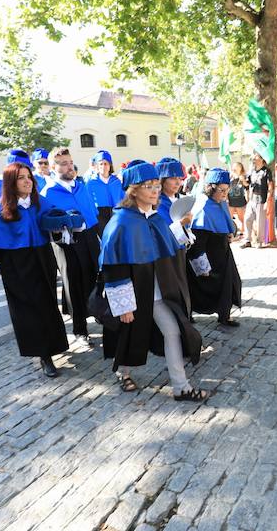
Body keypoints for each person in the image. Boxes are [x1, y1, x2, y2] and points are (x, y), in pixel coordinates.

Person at [99, 160, 206, 401]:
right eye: (149, 186)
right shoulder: (121, 222)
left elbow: (169, 243)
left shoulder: (157, 218)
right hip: (134, 293)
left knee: (172, 331)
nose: (156, 190)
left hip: (157, 293)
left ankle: (181, 386)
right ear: (133, 190)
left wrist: (182, 230)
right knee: (128, 333)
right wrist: (124, 304)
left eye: (157, 184)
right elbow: (113, 265)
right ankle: (123, 373)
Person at [0, 163, 75, 378]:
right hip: (16, 265)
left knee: (48, 304)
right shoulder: (1, 208)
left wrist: (67, 222)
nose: (27, 181)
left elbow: (57, 220)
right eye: (21, 178)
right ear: (11, 183)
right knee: (28, 311)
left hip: (42, 258)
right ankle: (43, 355)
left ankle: (55, 345)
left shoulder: (40, 203)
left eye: (28, 177)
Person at [40, 147, 101, 342]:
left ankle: (99, 312)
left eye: (70, 162)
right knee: (73, 283)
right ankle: (80, 330)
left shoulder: (81, 185)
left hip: (90, 237)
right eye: (63, 164)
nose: (69, 167)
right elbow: (45, 222)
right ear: (53, 167)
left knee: (96, 276)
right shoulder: (48, 193)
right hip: (67, 243)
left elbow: (92, 212)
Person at [187, 168, 242, 327]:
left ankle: (225, 315)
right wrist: (202, 265)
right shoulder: (203, 206)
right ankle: (188, 314)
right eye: (222, 190)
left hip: (223, 252)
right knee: (199, 286)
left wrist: (231, 232)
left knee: (231, 283)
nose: (225, 194)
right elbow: (198, 241)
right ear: (211, 188)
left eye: (227, 190)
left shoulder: (222, 203)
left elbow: (228, 223)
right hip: (209, 254)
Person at [156, 157, 194, 314]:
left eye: (180, 178)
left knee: (182, 283)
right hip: (165, 252)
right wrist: (182, 222)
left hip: (179, 249)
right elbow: (164, 231)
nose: (178, 182)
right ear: (163, 180)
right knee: (171, 286)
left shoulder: (179, 199)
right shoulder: (158, 202)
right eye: (173, 178)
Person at [86, 150, 125, 234]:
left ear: (110, 165)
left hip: (116, 212)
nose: (103, 166)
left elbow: (123, 198)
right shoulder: (91, 183)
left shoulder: (116, 182)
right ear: (97, 166)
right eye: (101, 164)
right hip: (99, 215)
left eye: (106, 163)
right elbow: (89, 202)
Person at [241, 153, 271, 248]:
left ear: (261, 159)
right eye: (253, 158)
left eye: (256, 158)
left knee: (260, 222)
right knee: (247, 219)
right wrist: (243, 180)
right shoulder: (252, 171)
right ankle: (248, 240)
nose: (254, 160)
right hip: (252, 199)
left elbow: (270, 186)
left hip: (262, 199)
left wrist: (267, 201)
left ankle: (259, 241)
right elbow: (247, 184)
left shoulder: (266, 171)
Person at [227, 162, 248, 237]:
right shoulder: (230, 176)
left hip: (240, 201)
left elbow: (247, 186)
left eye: (236, 167)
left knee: (241, 218)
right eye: (234, 167)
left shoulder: (243, 176)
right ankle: (230, 232)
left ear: (240, 168)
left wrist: (243, 180)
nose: (235, 168)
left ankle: (243, 232)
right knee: (229, 217)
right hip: (231, 200)